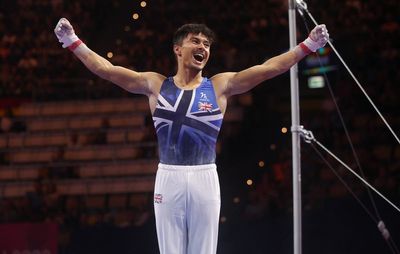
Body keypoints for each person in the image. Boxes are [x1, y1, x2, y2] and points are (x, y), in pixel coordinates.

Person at [54, 17, 329, 254]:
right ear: (178, 49)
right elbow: (107, 70)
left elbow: (270, 68)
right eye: (196, 41)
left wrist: (308, 46)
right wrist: (72, 41)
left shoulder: (220, 86)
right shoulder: (155, 85)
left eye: (207, 45)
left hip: (204, 177)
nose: (203, 48)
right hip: (169, 177)